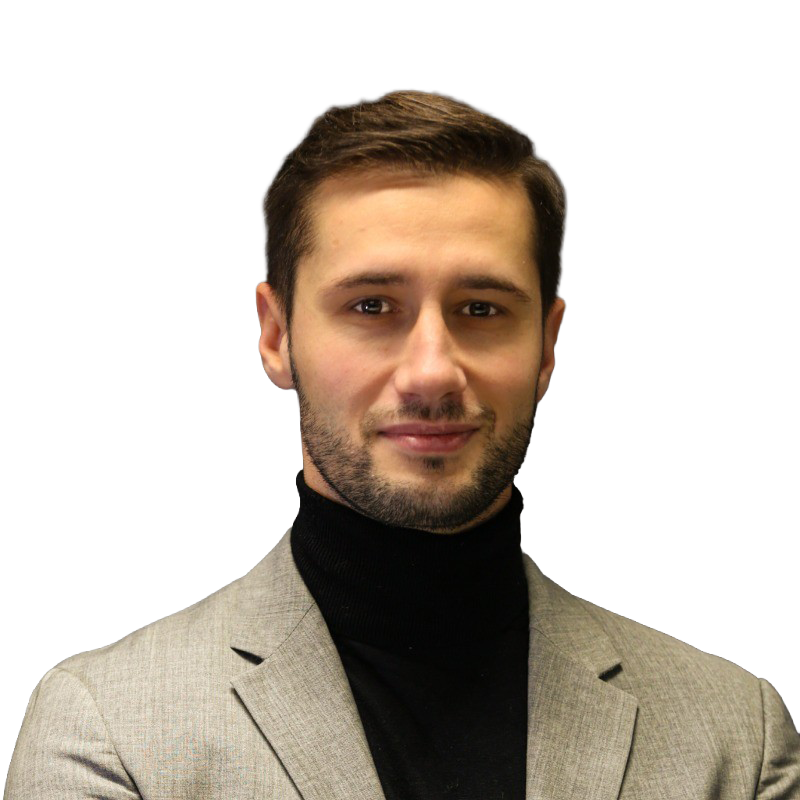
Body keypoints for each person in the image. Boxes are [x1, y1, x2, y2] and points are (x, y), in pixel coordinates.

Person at [4, 90, 799, 800]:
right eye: (372, 305)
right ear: (277, 336)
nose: (431, 372)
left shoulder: (735, 740)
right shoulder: (111, 734)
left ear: (547, 347)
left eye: (481, 309)